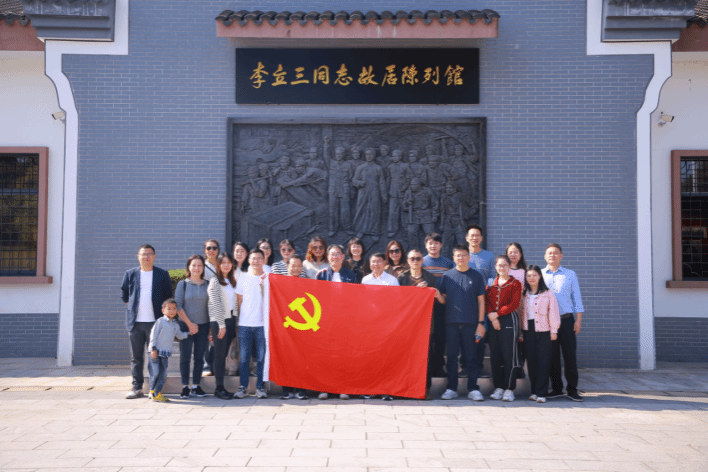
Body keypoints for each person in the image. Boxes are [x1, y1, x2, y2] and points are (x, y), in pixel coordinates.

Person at [121, 244, 173, 400]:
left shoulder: (162, 274)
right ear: (138, 256)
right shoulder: (130, 274)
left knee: (155, 358)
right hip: (135, 323)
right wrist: (133, 307)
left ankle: (154, 389)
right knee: (136, 358)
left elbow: (168, 296)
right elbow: (124, 294)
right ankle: (137, 388)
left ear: (154, 257)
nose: (146, 257)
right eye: (143, 254)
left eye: (149, 254)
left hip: (155, 323)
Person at [437, 245, 487, 401]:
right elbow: (444, 299)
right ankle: (451, 388)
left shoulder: (476, 275)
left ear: (468, 257)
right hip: (451, 322)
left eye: (464, 255)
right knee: (451, 357)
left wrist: (481, 323)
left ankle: (473, 388)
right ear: (453, 258)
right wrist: (436, 294)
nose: (461, 258)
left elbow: (481, 301)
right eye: (458, 255)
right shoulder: (447, 276)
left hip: (471, 323)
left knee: (471, 357)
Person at [398, 248, 445, 393]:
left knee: (425, 357)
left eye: (418, 258)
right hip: (407, 324)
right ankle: (406, 388)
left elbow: (437, 299)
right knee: (406, 358)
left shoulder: (429, 277)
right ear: (408, 261)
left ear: (422, 260)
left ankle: (425, 388)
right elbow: (399, 301)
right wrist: (416, 290)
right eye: (412, 258)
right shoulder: (402, 278)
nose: (415, 261)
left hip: (425, 324)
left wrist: (435, 294)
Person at [543, 243, 585, 402]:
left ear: (561, 256)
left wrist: (578, 320)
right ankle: (556, 388)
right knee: (552, 356)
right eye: (549, 253)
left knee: (570, 356)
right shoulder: (540, 275)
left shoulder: (570, 274)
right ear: (545, 256)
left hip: (567, 321)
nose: (552, 255)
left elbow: (577, 297)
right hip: (548, 323)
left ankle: (572, 390)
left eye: (555, 253)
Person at [518, 265, 560, 404]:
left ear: (539, 277)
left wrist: (554, 330)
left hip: (544, 330)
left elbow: (553, 313)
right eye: (529, 276)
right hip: (528, 329)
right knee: (531, 361)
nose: (531, 278)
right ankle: (534, 391)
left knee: (543, 362)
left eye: (534, 275)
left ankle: (542, 392)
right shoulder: (524, 294)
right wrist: (521, 331)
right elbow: (521, 313)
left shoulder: (548, 293)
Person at [486, 255, 523, 402]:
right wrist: (492, 316)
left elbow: (514, 304)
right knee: (495, 354)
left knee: (509, 354)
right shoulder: (491, 283)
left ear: (509, 266)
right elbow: (487, 300)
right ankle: (499, 387)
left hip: (509, 319)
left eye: (505, 265)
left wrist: (497, 314)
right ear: (495, 267)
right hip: (493, 319)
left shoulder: (515, 283)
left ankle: (509, 388)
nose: (502, 268)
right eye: (499, 265)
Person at [234, 249, 269, 400]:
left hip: (262, 325)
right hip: (245, 324)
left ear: (264, 260)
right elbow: (239, 301)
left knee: (261, 358)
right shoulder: (243, 278)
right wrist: (238, 321)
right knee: (244, 358)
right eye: (253, 258)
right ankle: (243, 388)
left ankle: (260, 387)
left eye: (259, 258)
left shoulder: (268, 278)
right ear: (249, 260)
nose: (256, 261)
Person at [175, 255, 210, 399]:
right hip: (185, 325)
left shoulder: (208, 284)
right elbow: (178, 306)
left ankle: (196, 386)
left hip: (203, 325)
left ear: (203, 268)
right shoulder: (182, 284)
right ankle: (185, 386)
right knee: (185, 357)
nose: (196, 268)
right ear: (189, 267)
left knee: (199, 357)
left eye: (200, 265)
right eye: (194, 265)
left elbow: (211, 306)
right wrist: (190, 324)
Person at [422, 233, 454, 378]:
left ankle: (439, 367)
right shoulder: (421, 262)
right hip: (424, 307)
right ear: (426, 245)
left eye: (436, 243)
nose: (433, 246)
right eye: (430, 243)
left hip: (441, 304)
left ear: (441, 245)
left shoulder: (448, 263)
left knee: (441, 337)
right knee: (427, 337)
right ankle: (426, 367)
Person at [207, 253, 238, 400]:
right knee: (219, 355)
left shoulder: (232, 281)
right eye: (223, 262)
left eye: (229, 262)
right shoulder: (215, 281)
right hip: (219, 322)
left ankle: (221, 387)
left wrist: (235, 323)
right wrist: (221, 325)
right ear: (218, 265)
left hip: (231, 320)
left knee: (224, 354)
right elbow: (216, 305)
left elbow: (235, 304)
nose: (226, 265)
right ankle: (219, 388)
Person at [280, 254, 310, 400]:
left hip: (303, 327)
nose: (296, 268)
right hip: (285, 326)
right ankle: (286, 389)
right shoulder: (280, 283)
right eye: (293, 265)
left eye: (299, 266)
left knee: (302, 359)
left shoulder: (307, 284)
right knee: (285, 358)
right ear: (287, 267)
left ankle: (301, 389)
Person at [148, 299, 189, 402]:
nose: (172, 311)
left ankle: (156, 393)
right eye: (169, 308)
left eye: (174, 308)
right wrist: (153, 348)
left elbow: (179, 335)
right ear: (163, 310)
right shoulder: (160, 321)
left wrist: (189, 333)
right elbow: (153, 335)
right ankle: (153, 392)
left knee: (163, 375)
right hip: (155, 352)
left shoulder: (175, 324)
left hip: (165, 354)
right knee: (155, 373)